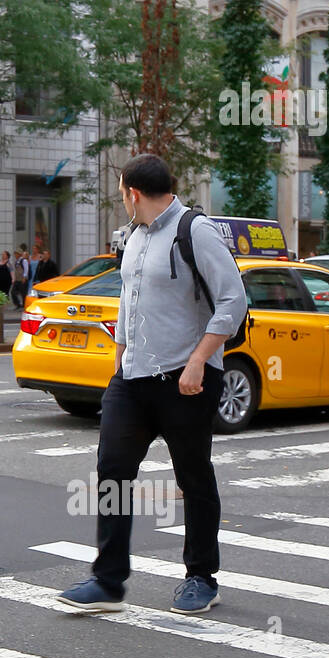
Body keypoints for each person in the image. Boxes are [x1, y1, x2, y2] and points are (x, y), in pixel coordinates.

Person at [58, 153, 246, 616]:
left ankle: (202, 577)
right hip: (132, 377)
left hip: (185, 377)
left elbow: (233, 299)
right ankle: (108, 581)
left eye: (121, 192)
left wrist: (200, 360)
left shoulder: (195, 231)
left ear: (132, 192)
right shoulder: (136, 237)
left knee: (193, 476)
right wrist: (118, 362)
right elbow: (128, 300)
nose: (122, 199)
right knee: (112, 472)